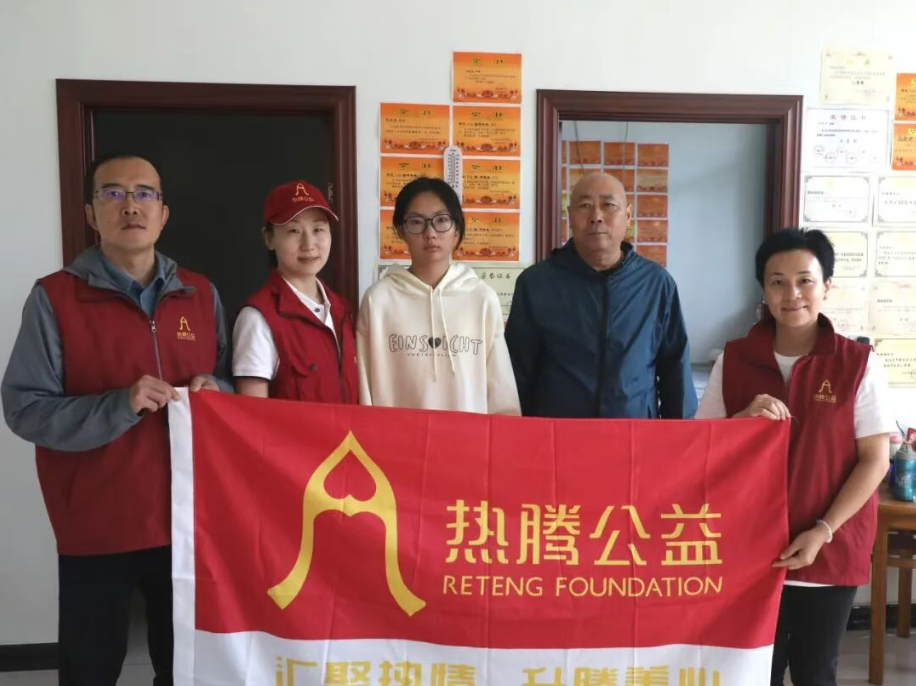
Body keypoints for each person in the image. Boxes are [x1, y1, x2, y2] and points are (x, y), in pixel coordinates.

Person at [1, 152, 232, 686]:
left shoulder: (199, 293)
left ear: (163, 213)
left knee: (186, 668)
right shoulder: (55, 298)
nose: (131, 205)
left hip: (186, 518)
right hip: (95, 522)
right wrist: (118, 406)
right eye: (113, 193)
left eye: (144, 193)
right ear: (90, 212)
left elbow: (227, 377)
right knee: (90, 669)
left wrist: (215, 388)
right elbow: (25, 408)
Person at [695, 228, 893, 686]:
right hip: (745, 550)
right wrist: (741, 420)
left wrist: (823, 530)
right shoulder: (734, 359)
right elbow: (703, 448)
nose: (792, 294)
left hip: (828, 550)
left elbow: (874, 460)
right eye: (777, 282)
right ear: (763, 291)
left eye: (805, 280)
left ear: (827, 286)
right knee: (750, 673)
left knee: (815, 672)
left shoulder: (858, 363)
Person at [506, 171, 696, 418]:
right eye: (585, 206)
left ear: (628, 215)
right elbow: (516, 373)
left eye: (608, 205)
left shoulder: (656, 284)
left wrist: (680, 435)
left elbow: (675, 371)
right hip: (558, 435)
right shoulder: (536, 283)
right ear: (569, 216)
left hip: (634, 434)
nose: (596, 216)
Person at [357, 176, 519, 414]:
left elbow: (501, 392)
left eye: (441, 220)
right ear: (401, 231)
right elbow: (364, 387)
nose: (430, 233)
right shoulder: (378, 301)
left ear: (457, 229)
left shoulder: (482, 299)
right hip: (396, 437)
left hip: (467, 436)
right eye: (416, 222)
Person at [233, 180, 357, 402]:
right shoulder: (258, 317)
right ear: (269, 239)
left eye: (318, 229)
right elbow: (252, 416)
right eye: (294, 230)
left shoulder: (343, 310)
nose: (309, 244)